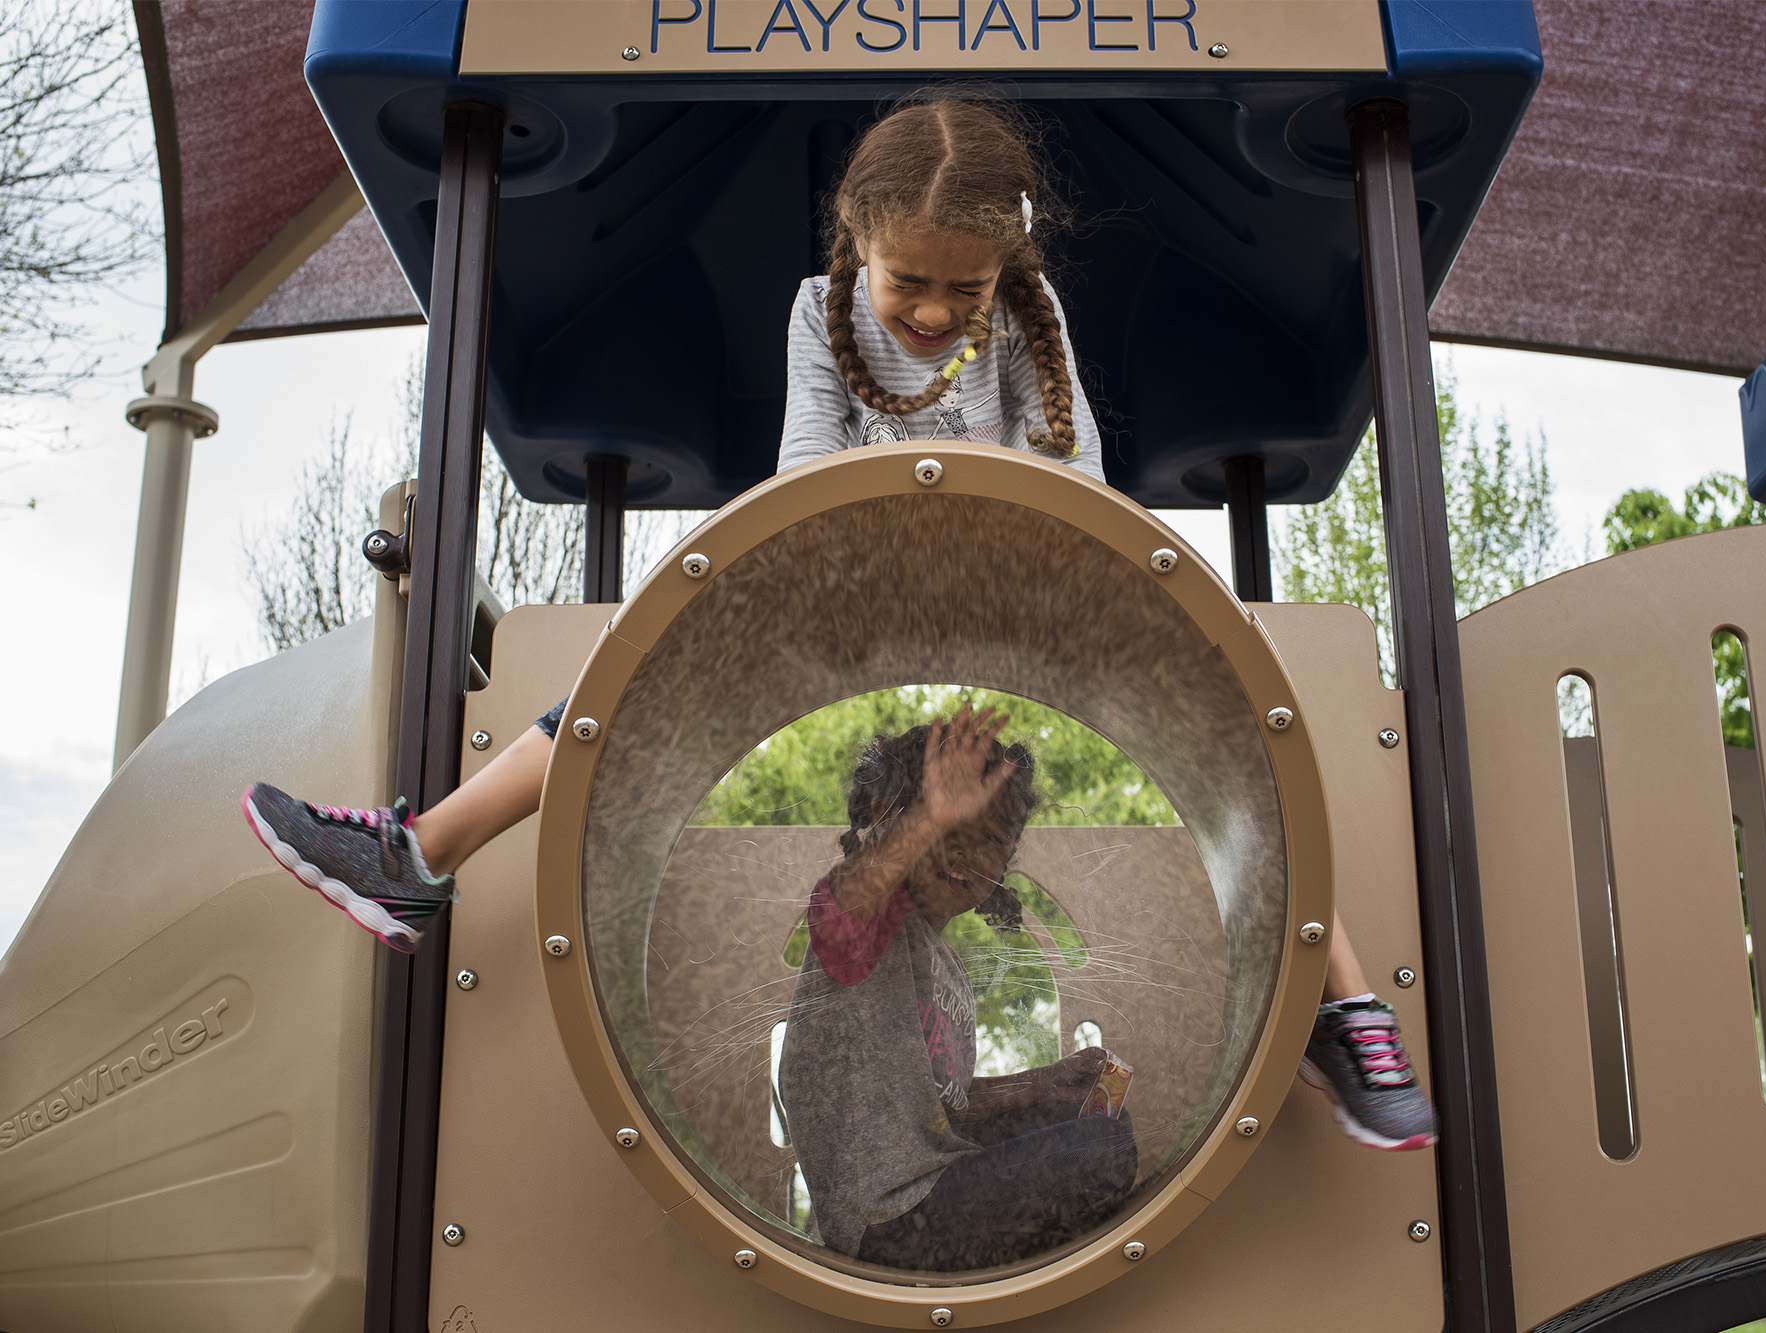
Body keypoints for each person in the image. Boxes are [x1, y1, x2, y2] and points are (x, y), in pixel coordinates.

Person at [239, 97, 1432, 1154]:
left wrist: (958, 502)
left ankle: (1340, 1007)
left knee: (1236, 712)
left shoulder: (1026, 312)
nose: (931, 309)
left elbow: (1072, 483)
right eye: (907, 278)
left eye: (962, 289)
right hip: (856, 593)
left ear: (1002, 268)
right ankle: (418, 854)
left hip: (1024, 592)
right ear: (856, 235)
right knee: (635, 674)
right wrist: (880, 536)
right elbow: (802, 477)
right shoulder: (820, 312)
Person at [781, 706, 1136, 1270]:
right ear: (894, 822)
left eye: (989, 838)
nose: (963, 852)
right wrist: (927, 814)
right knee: (1103, 1150)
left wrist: (1043, 1084)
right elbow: (840, 908)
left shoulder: (948, 969)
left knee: (1090, 1120)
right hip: (888, 1220)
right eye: (948, 828)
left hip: (935, 1196)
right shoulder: (873, 925)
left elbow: (942, 1105)